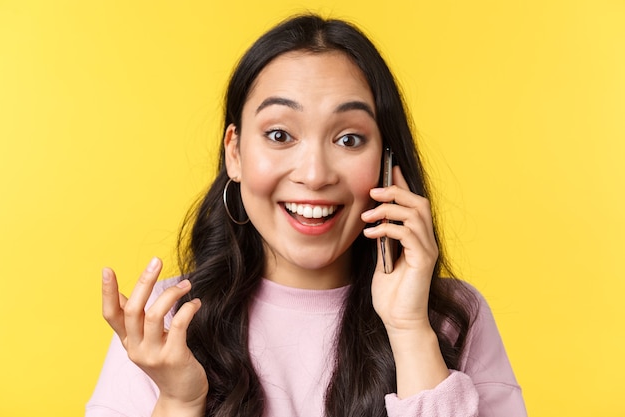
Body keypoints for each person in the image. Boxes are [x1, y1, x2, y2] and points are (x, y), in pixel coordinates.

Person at [86, 14, 527, 417]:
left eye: (350, 140)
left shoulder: (452, 317)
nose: (315, 176)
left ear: (387, 163)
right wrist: (180, 401)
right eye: (280, 134)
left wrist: (410, 330)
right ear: (235, 153)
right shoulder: (163, 327)